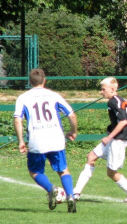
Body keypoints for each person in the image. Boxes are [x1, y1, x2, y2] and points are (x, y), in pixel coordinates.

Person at [13, 68, 78, 213]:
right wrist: (73, 132)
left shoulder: (23, 97)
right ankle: (71, 196)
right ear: (45, 80)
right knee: (63, 169)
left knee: (34, 171)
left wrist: (21, 141)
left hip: (37, 140)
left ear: (30, 82)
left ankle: (51, 189)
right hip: (56, 139)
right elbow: (72, 115)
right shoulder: (54, 95)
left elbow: (18, 120)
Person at [73, 77, 127, 203]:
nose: (101, 92)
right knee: (91, 156)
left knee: (111, 172)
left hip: (116, 141)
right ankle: (76, 192)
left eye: (103, 89)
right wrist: (126, 135)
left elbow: (124, 121)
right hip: (116, 139)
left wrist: (112, 137)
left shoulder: (113, 102)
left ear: (113, 89)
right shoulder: (123, 101)